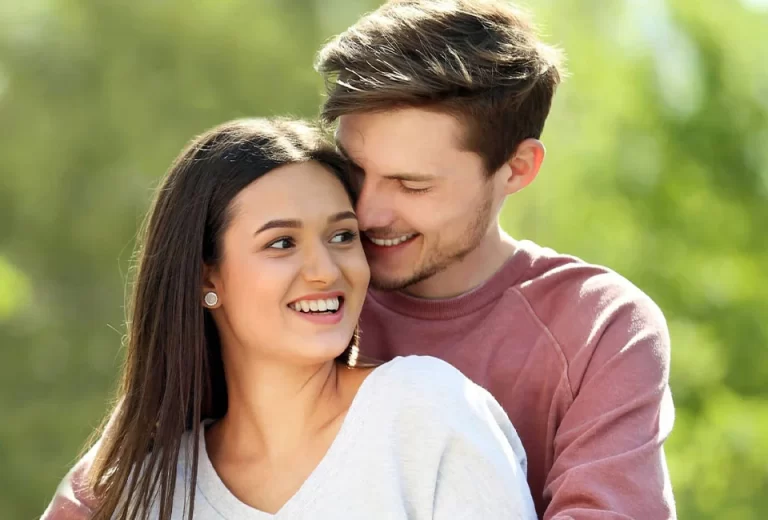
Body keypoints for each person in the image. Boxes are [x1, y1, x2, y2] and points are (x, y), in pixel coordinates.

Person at [48, 1, 676, 518]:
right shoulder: (304, 297)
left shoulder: (597, 327)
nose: (367, 213)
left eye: (412, 185)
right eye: (355, 170)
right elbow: (119, 474)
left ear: (517, 169)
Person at [42, 118, 537, 519]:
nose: (326, 271)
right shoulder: (147, 493)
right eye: (281, 243)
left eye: (342, 237)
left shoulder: (426, 414)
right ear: (206, 279)